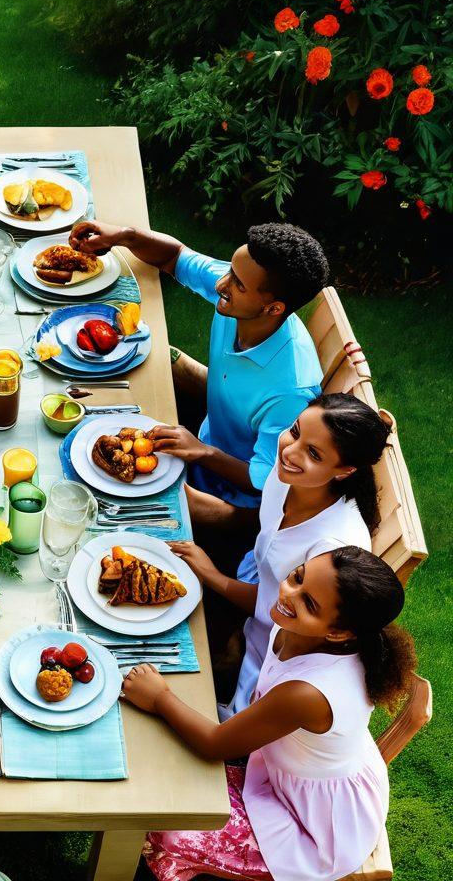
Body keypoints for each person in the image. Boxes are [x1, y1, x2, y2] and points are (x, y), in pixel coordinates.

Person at [122, 546, 416, 881]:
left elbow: (215, 744)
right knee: (164, 768)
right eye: (298, 577)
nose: (289, 595)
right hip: (293, 773)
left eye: (309, 604)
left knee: (168, 824)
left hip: (312, 828)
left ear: (337, 632)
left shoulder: (307, 693)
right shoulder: (296, 627)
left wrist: (159, 697)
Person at [68, 221, 328, 531]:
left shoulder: (291, 391)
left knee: (91, 504)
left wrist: (202, 452)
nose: (222, 284)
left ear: (273, 308)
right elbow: (174, 256)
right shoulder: (244, 297)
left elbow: (264, 480)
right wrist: (125, 237)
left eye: (238, 284)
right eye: (230, 271)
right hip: (201, 443)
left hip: (231, 501)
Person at [170, 393, 393, 718]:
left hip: (273, 652)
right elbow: (267, 522)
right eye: (295, 430)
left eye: (313, 453)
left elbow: (280, 609)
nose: (290, 450)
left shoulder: (335, 548)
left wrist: (212, 576)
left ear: (344, 471)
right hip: (247, 593)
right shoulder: (291, 471)